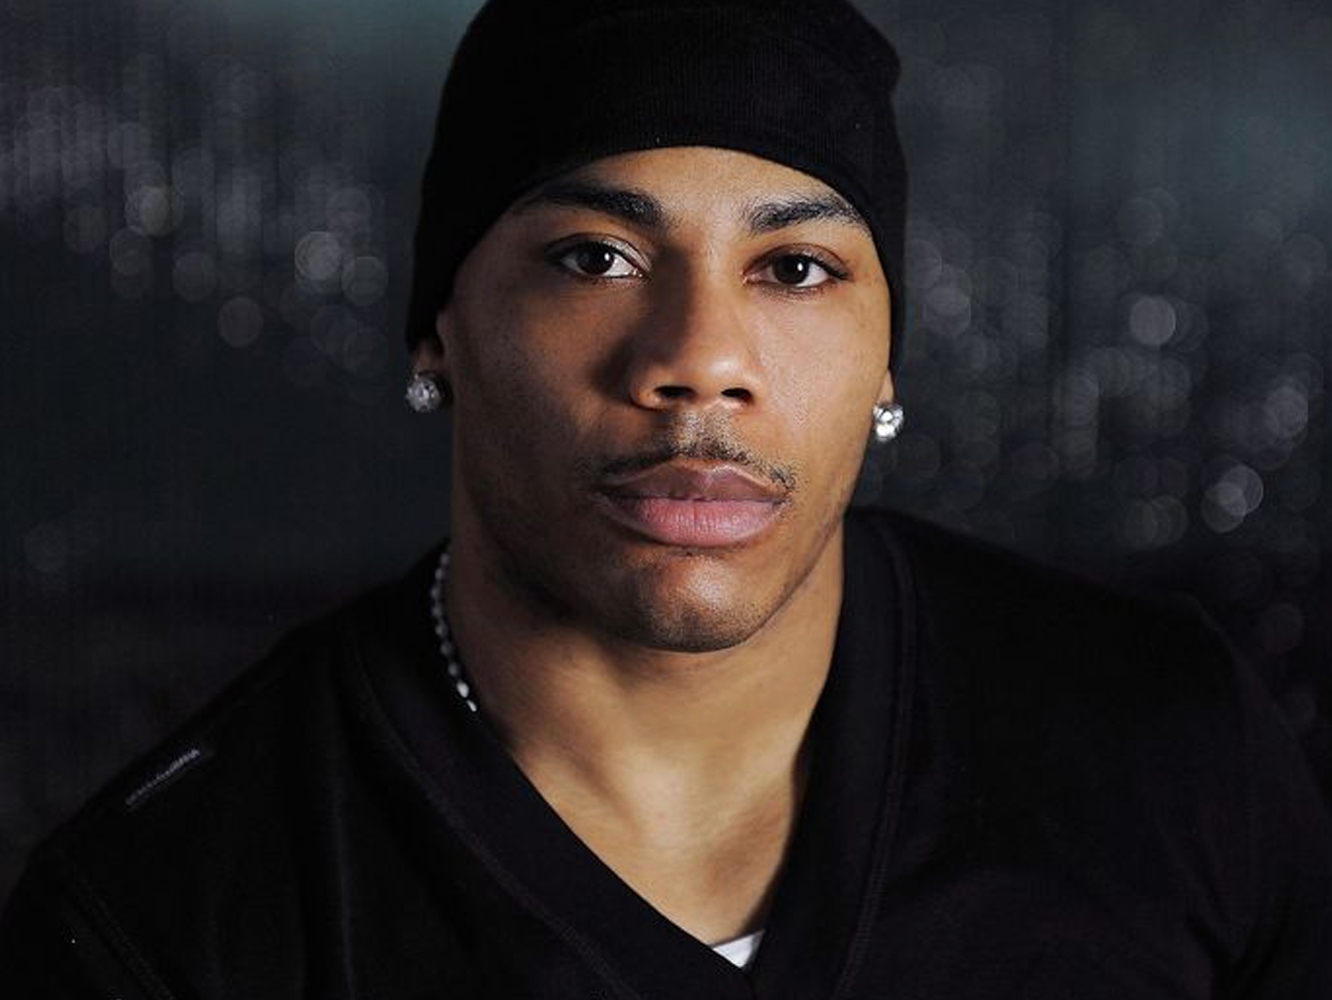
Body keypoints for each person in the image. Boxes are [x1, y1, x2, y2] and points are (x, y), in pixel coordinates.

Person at [2, 0, 1330, 995]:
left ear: (888, 354)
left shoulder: (1168, 750)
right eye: (597, 256)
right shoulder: (167, 924)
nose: (700, 358)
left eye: (796, 268)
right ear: (439, 334)